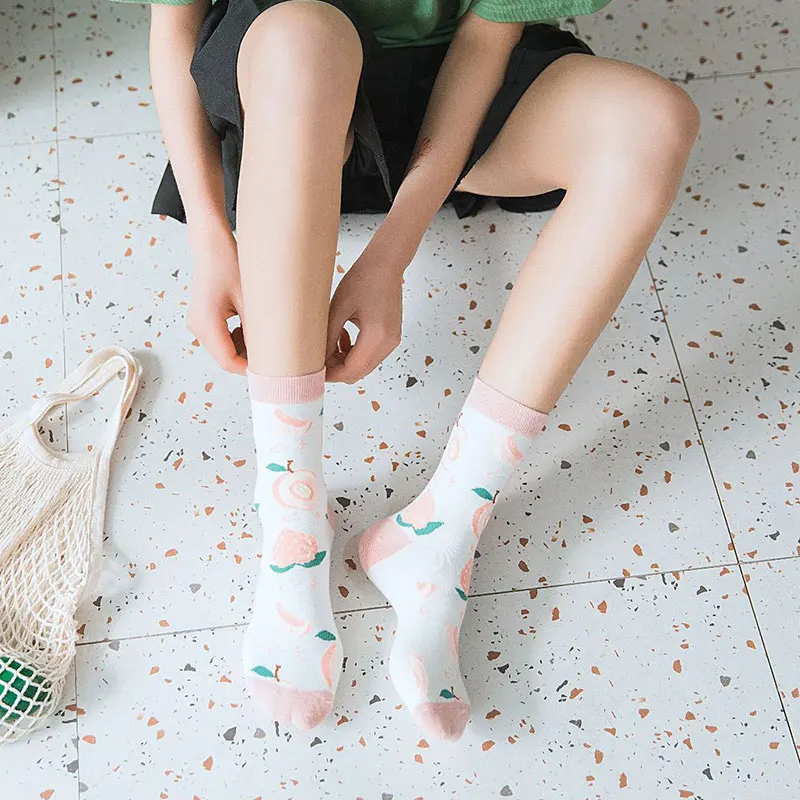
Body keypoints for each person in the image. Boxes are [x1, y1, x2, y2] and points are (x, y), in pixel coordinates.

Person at [124, 0, 700, 740]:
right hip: (288, 100)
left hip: (458, 108)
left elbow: (486, 37)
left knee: (653, 125)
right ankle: (292, 516)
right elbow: (174, 19)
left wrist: (394, 250)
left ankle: (442, 529)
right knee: (303, 38)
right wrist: (210, 236)